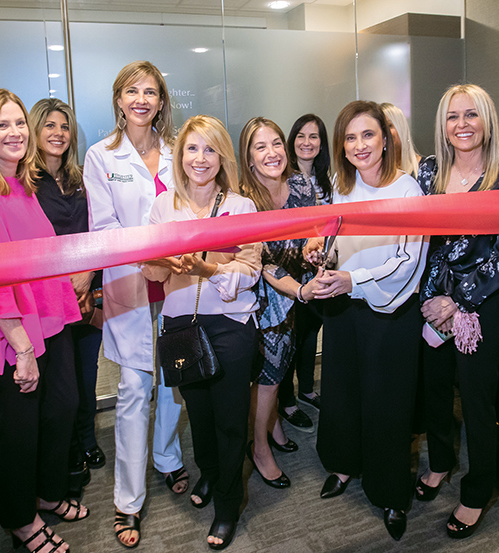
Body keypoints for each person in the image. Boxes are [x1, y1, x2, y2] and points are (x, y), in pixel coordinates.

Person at [0, 88, 88, 553]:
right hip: (13, 334)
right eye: (1, 125)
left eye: (18, 123)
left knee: (61, 407)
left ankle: (46, 493)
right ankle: (19, 519)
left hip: (49, 321)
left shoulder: (21, 185)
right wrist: (21, 348)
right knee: (19, 430)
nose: (15, 133)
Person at [304, 101, 427, 541]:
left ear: (386, 138)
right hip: (344, 305)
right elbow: (337, 241)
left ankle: (391, 492)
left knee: (387, 403)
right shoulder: (342, 184)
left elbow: (407, 263)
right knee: (342, 392)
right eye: (350, 137)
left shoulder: (410, 191)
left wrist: (350, 278)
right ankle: (343, 466)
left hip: (388, 312)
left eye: (368, 135)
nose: (359, 145)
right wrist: (323, 254)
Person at [141, 114, 262, 550]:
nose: (200, 158)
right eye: (192, 148)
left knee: (230, 421)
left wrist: (209, 269)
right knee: (201, 415)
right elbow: (150, 270)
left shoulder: (241, 207)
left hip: (230, 324)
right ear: (180, 155)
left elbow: (250, 270)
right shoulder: (163, 206)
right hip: (180, 325)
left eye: (210, 149)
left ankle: (228, 507)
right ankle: (211, 475)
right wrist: (164, 263)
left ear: (223, 157)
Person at [82, 60, 188, 548]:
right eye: (132, 91)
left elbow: (188, 213)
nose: (142, 99)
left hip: (179, 283)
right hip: (130, 283)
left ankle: (167, 458)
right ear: (119, 99)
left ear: (161, 101)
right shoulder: (101, 155)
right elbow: (102, 231)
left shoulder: (177, 152)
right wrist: (150, 255)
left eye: (150, 92)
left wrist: (170, 259)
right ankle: (128, 500)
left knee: (173, 379)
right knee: (132, 390)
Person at [414, 84, 499, 539]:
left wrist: (458, 302)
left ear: (487, 120)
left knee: (478, 403)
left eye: (471, 115)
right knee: (435, 392)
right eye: (452, 116)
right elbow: (416, 241)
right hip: (429, 305)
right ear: (442, 125)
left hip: (480, 307)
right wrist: (430, 301)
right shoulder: (426, 172)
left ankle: (478, 490)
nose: (462, 125)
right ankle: (440, 462)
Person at [28, 97, 105, 492]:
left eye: (64, 126)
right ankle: (70, 449)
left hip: (87, 293)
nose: (58, 133)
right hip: (47, 301)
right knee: (61, 383)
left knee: (86, 373)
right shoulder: (25, 182)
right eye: (50, 126)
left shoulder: (79, 178)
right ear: (35, 131)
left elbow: (96, 231)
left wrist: (89, 284)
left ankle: (87, 439)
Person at [239, 117, 317, 489]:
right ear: (249, 158)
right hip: (261, 298)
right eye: (260, 146)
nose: (272, 153)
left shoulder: (302, 185)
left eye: (276, 144)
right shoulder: (243, 198)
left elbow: (309, 238)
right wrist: (297, 290)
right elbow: (263, 261)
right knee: (266, 379)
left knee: (281, 369)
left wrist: (316, 251)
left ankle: (273, 425)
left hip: (294, 294)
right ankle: (259, 449)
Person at [277, 114, 331, 432]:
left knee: (311, 333)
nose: (306, 142)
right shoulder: (286, 179)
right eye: (300, 135)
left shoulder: (327, 180)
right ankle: (287, 402)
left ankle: (307, 389)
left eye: (313, 136)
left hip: (320, 271)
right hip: (291, 273)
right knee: (291, 338)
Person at [380, 103, 421, 177]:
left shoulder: (427, 168)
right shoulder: (374, 174)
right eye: (380, 128)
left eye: (389, 126)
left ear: (401, 128)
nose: (384, 133)